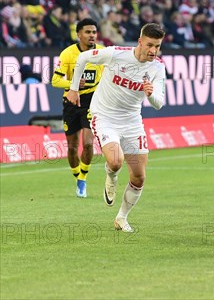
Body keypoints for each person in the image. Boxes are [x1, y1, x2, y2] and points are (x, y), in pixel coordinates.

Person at [66, 23, 166, 232]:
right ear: (140, 41)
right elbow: (83, 58)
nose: (153, 51)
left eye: (157, 47)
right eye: (149, 45)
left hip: (132, 121)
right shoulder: (115, 54)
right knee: (115, 160)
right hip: (104, 116)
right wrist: (74, 89)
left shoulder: (157, 68)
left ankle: (121, 218)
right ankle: (111, 176)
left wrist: (151, 94)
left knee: (139, 176)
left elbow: (159, 103)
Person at [51, 18, 104, 198]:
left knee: (88, 143)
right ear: (79, 34)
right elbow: (55, 80)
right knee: (72, 147)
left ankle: (83, 177)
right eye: (88, 32)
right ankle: (77, 178)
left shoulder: (103, 52)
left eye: (94, 32)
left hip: (92, 100)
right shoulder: (67, 54)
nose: (92, 35)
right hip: (72, 100)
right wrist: (73, 83)